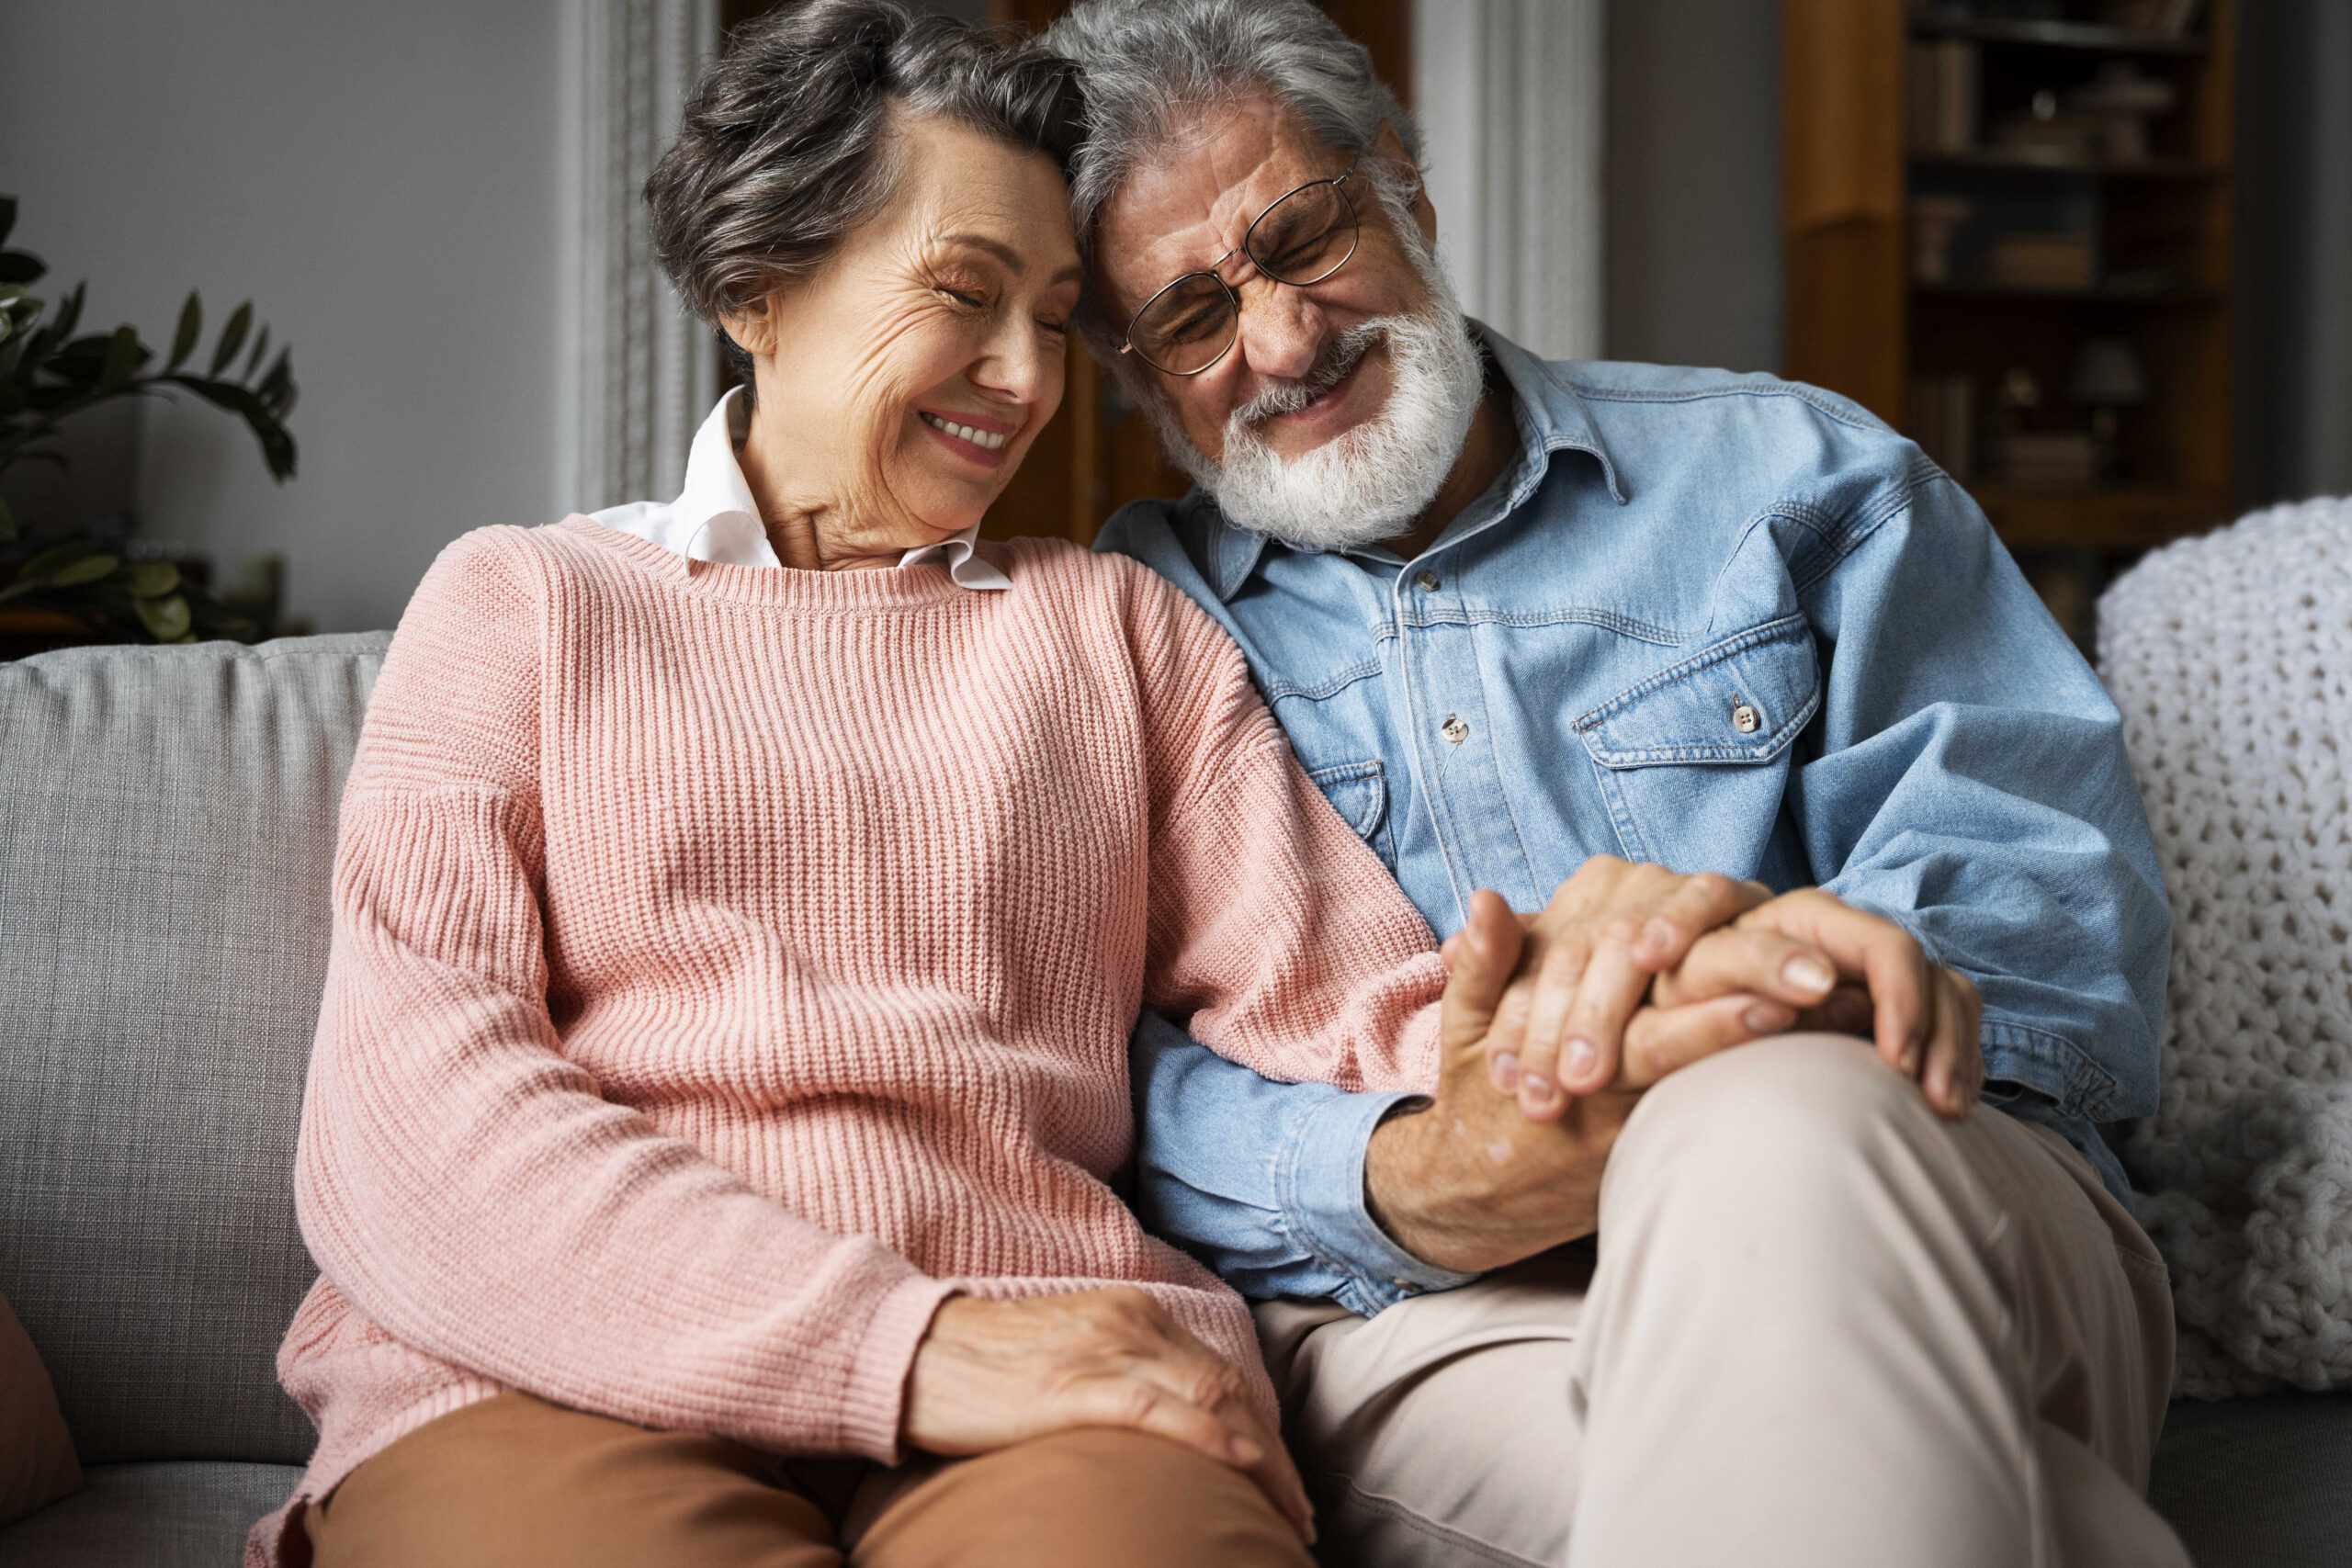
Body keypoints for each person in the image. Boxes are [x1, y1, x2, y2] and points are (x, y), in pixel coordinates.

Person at [242, 6, 1623, 1565]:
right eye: (965, 295)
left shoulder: (1118, 632)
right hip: (552, 1369)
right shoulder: (524, 607)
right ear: (755, 288)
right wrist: (904, 1344)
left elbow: (1358, 1009)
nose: (1028, 377)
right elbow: (413, 1120)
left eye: (1056, 314)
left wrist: (1621, 1033)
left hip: (1062, 1360)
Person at [1045, 2, 2189, 1564]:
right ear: (1131, 370)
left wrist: (1753, 999)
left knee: (1763, 1130)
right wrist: (1408, 1180)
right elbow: (1080, 1072)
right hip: (1432, 1310)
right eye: (1190, 317)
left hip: (1924, 1185)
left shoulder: (1799, 475)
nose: (1285, 340)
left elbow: (2053, 917)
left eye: (1305, 234)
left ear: (1404, 189)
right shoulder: (1120, 628)